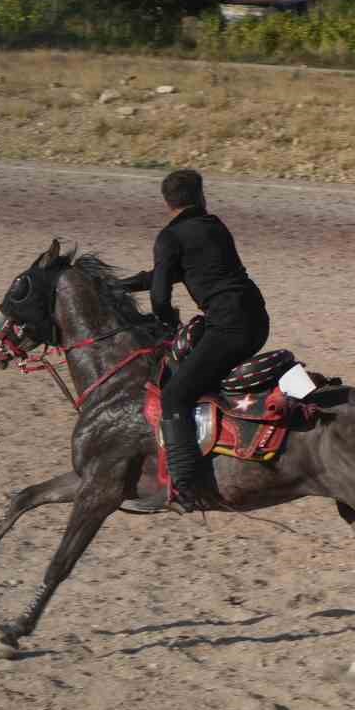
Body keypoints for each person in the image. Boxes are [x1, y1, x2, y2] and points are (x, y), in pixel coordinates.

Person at [120, 169, 269, 510]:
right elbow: (164, 274)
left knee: (174, 396)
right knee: (198, 378)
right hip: (255, 319)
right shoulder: (214, 226)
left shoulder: (169, 238)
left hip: (230, 327)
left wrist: (164, 320)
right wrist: (120, 285)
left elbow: (160, 292)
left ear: (165, 202)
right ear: (201, 196)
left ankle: (184, 488)